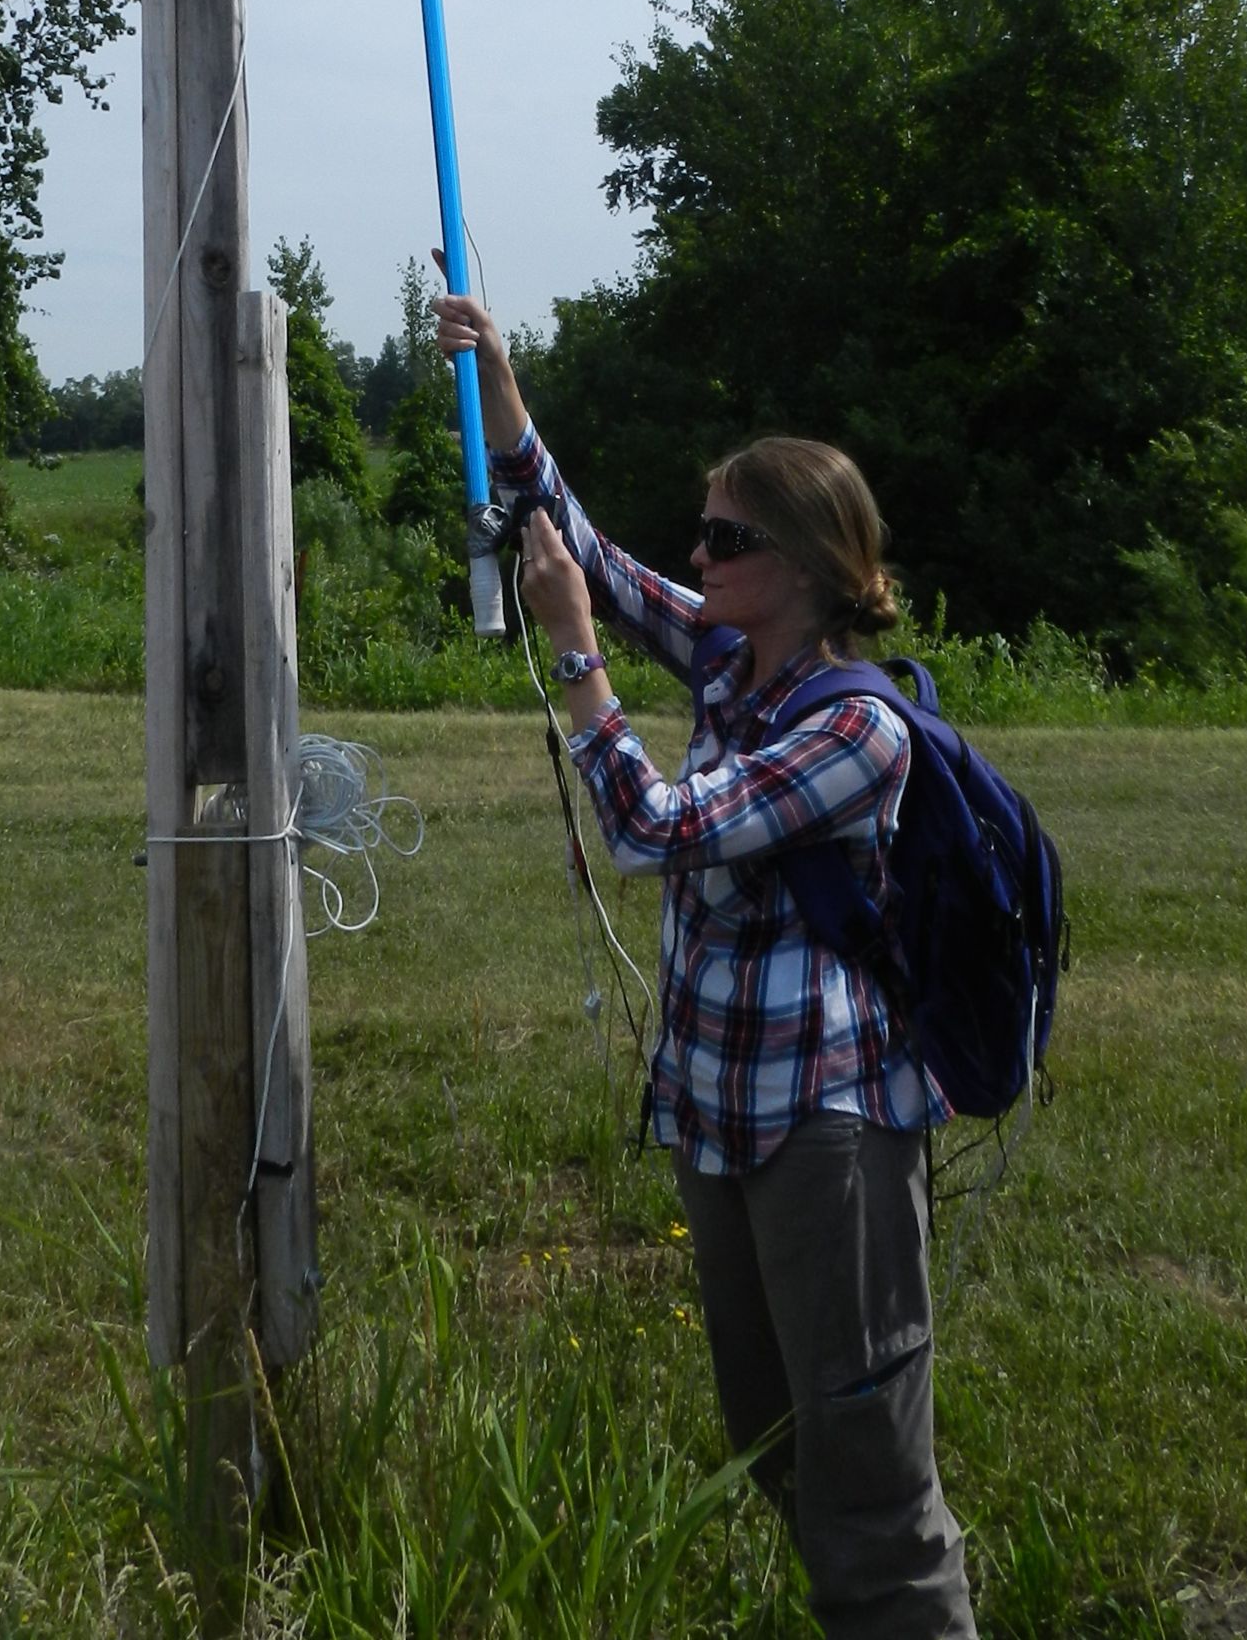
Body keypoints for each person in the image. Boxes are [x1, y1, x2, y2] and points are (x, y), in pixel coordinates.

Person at [435, 294, 977, 1640]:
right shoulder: (734, 658)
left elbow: (651, 831)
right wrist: (499, 380)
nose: (697, 553)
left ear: (796, 561)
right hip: (721, 1121)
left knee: (866, 1475)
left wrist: (576, 665)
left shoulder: (858, 728)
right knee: (774, 1439)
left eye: (723, 537)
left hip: (826, 1137)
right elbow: (593, 552)